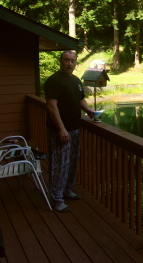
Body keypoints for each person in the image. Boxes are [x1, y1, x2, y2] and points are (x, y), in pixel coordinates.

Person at [44, 50, 94, 212]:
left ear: (75, 63)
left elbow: (80, 99)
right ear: (61, 62)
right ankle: (56, 199)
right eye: (66, 60)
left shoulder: (76, 81)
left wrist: (89, 110)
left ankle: (66, 191)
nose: (69, 63)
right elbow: (51, 105)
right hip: (61, 131)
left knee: (72, 163)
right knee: (59, 165)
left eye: (72, 61)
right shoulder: (54, 81)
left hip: (74, 128)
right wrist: (61, 128)